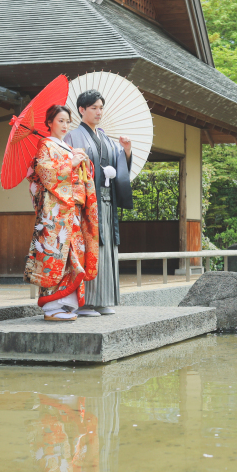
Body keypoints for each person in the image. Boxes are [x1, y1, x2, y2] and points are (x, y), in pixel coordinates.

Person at [24, 104, 99, 321]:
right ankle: (51, 307)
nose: (65, 125)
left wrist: (84, 164)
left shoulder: (66, 147)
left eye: (68, 121)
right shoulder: (45, 145)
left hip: (72, 210)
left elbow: (83, 177)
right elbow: (45, 174)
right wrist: (71, 163)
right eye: (60, 121)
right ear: (49, 123)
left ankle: (65, 304)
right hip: (55, 212)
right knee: (56, 254)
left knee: (72, 256)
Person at [65, 89, 133, 316]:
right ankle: (85, 302)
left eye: (101, 107)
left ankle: (103, 300)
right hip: (85, 205)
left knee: (107, 249)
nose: (98, 112)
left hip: (106, 202)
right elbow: (67, 169)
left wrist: (126, 151)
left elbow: (119, 168)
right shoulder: (73, 137)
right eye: (93, 107)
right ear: (82, 110)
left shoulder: (106, 139)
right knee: (88, 249)